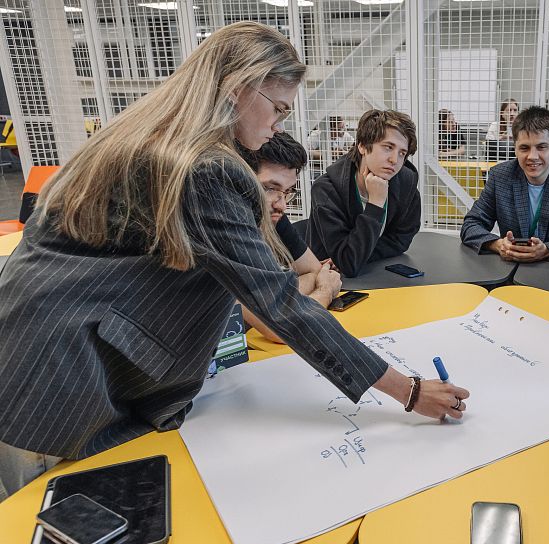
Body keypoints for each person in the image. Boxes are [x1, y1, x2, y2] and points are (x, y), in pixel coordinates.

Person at [0, 22, 467, 502]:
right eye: (279, 107)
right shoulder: (207, 168)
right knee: (63, 533)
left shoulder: (152, 140)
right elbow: (280, 306)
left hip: (31, 350)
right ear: (239, 87)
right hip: (59, 380)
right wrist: (407, 390)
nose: (278, 124)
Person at [460, 105, 549, 263]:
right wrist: (498, 245)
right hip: (510, 269)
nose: (532, 156)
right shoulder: (499, 177)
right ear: (515, 147)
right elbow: (471, 225)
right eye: (524, 148)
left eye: (542, 147)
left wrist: (548, 250)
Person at [237, 131, 339, 343]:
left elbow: (314, 270)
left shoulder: (273, 217)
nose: (281, 205)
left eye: (287, 192)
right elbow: (281, 328)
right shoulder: (227, 231)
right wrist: (324, 290)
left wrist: (277, 301)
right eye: (270, 188)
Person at [307, 109, 421, 277]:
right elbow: (348, 264)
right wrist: (375, 204)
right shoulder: (326, 190)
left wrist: (361, 255)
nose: (394, 160)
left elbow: (401, 240)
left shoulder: (405, 182)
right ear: (361, 145)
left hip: (377, 275)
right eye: (388, 147)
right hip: (328, 279)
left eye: (402, 153)